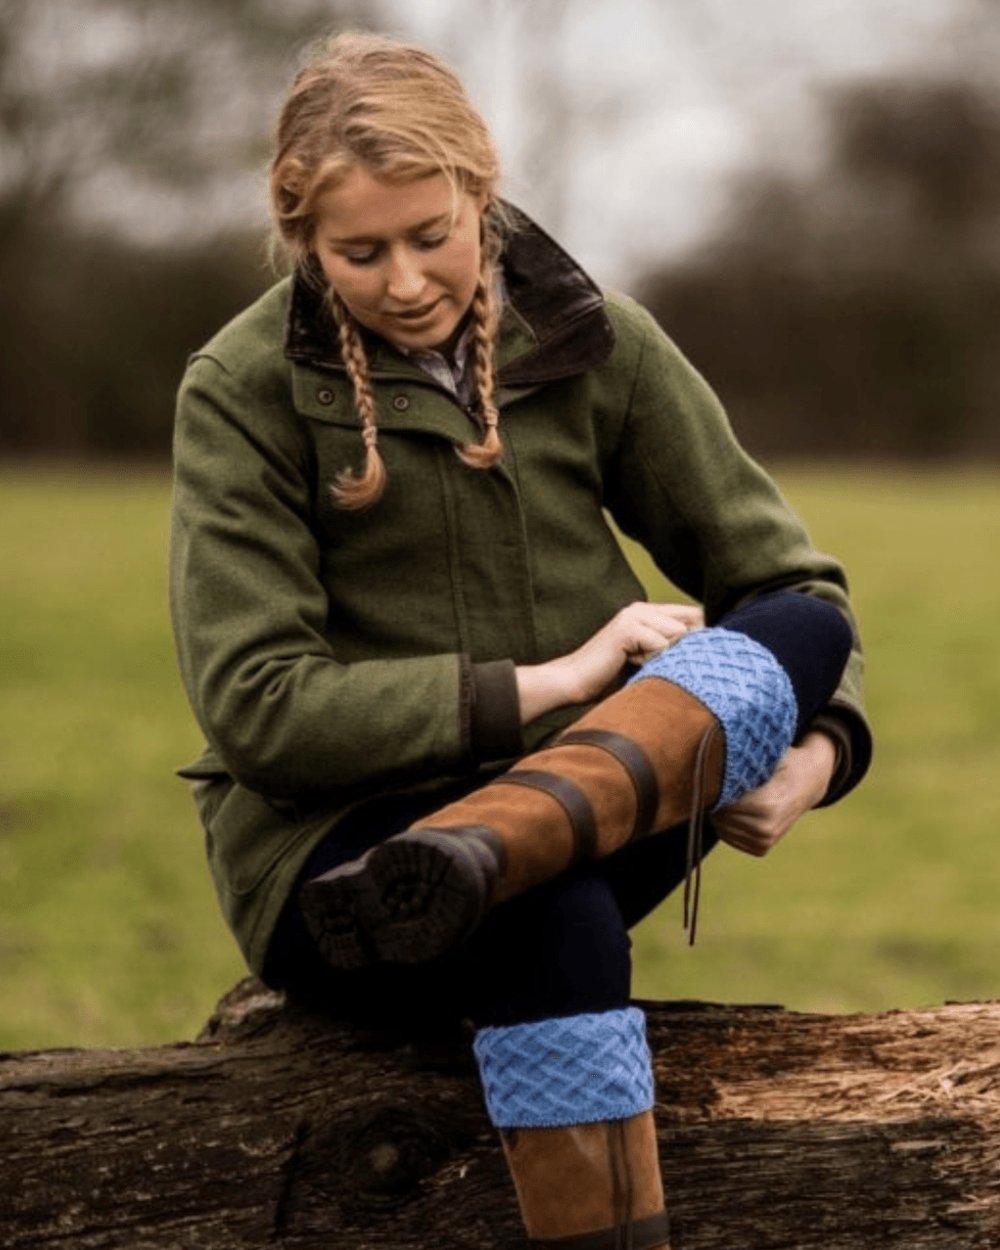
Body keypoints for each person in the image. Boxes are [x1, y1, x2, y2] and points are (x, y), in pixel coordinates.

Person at [169, 30, 872, 1250]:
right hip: (339, 866)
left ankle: (502, 846)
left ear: (480, 195)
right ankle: (481, 865)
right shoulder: (238, 391)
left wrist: (807, 761)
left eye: (429, 234)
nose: (402, 281)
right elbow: (259, 707)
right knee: (552, 921)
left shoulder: (599, 339)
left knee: (800, 626)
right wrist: (558, 676)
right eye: (359, 252)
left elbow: (786, 577)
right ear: (301, 241)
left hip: (597, 793)